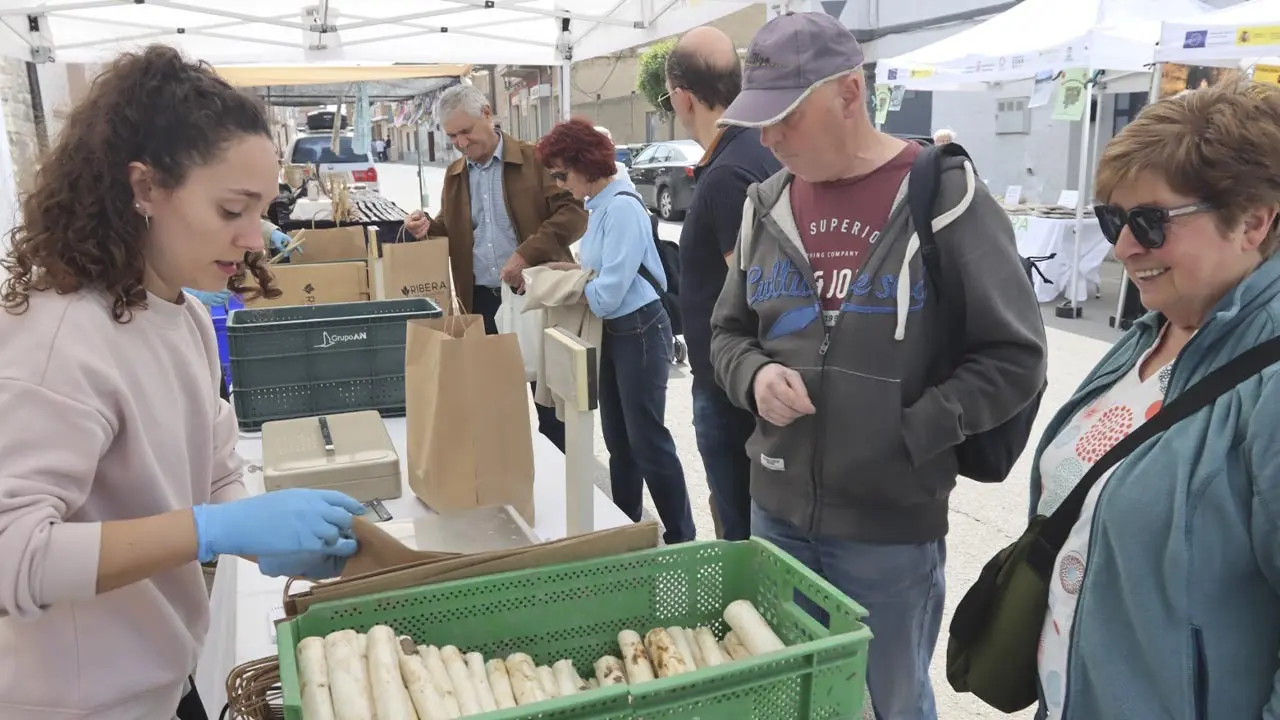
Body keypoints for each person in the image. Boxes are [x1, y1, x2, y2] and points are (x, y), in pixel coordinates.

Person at [0, 46, 366, 720]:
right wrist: (210, 529)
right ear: (144, 188)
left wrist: (266, 535)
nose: (255, 238)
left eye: (261, 209)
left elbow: (215, 467)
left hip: (166, 679)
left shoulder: (187, 316)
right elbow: (12, 557)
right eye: (232, 210)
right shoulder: (60, 340)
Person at [710, 12, 1046, 720]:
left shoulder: (942, 195)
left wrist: (912, 432)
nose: (767, 139)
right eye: (758, 121)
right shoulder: (762, 203)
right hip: (775, 514)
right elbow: (728, 332)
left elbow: (1015, 356)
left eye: (785, 118)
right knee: (790, 699)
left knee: (887, 704)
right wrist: (753, 377)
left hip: (890, 531)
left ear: (849, 94)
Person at [1028, 79, 1280, 720]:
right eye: (1114, 219)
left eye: (1150, 221)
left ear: (1253, 220)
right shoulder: (1154, 329)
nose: (1122, 248)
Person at [534, 118, 695, 545]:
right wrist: (574, 273)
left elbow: (606, 294)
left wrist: (572, 282)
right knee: (619, 440)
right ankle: (627, 530)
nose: (558, 182)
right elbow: (604, 279)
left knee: (647, 440)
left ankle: (682, 537)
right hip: (617, 329)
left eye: (561, 173)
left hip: (639, 328)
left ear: (585, 165)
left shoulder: (621, 207)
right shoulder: (601, 205)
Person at [403, 84, 586, 452]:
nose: (460, 142)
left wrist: (525, 255)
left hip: (538, 299)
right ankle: (512, 481)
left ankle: (564, 490)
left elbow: (573, 214)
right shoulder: (455, 175)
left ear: (488, 114)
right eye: (452, 135)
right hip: (484, 304)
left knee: (550, 405)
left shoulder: (536, 159)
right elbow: (452, 231)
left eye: (466, 131)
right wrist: (424, 228)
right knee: (496, 406)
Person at [664, 26, 782, 541]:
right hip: (748, 381)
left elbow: (757, 291)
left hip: (733, 388)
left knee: (741, 534)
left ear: (682, 98)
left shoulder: (731, 171)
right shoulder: (753, 151)